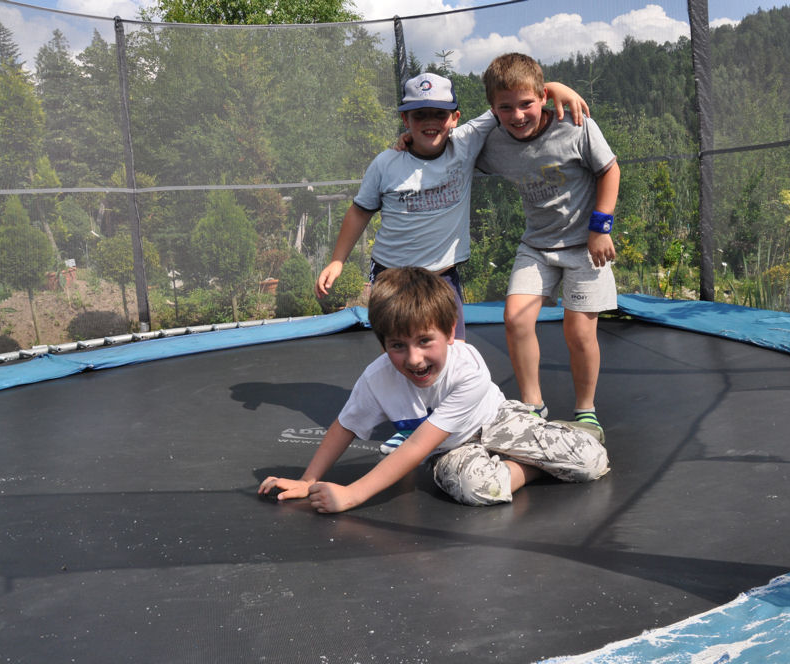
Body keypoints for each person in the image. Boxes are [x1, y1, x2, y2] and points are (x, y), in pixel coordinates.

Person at [258, 267, 609, 512]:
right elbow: (344, 426)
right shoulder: (377, 378)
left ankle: (543, 441)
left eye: (425, 341)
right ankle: (533, 466)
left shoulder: (468, 369)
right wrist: (308, 479)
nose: (414, 359)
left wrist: (352, 494)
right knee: (476, 488)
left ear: (450, 332)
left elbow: (414, 447)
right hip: (448, 447)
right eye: (398, 346)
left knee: (591, 461)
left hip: (495, 421)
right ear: (382, 344)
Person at [314, 71, 589, 344]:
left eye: (439, 114)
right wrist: (338, 260)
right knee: (402, 352)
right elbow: (360, 211)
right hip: (392, 278)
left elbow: (510, 101)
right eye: (420, 115)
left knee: (455, 351)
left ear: (455, 118)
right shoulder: (386, 163)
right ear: (405, 120)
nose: (430, 122)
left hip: (442, 276)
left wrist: (553, 87)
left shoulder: (465, 142)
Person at [475, 53, 621, 431]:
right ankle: (532, 407)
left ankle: (585, 411)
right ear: (493, 110)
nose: (518, 115)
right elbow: (449, 148)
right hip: (537, 247)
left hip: (585, 246)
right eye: (505, 108)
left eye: (526, 103)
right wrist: (409, 142)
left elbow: (609, 170)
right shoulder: (493, 143)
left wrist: (600, 228)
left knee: (579, 332)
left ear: (543, 97)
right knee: (515, 319)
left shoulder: (575, 125)